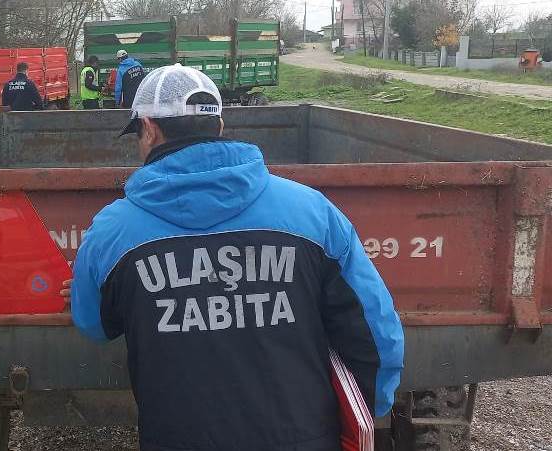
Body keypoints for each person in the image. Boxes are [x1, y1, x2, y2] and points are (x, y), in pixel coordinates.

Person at [65, 64, 404, 451]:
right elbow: (375, 330)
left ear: (150, 129)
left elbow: (94, 324)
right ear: (219, 127)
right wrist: (366, 409)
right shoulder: (311, 212)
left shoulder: (112, 231)